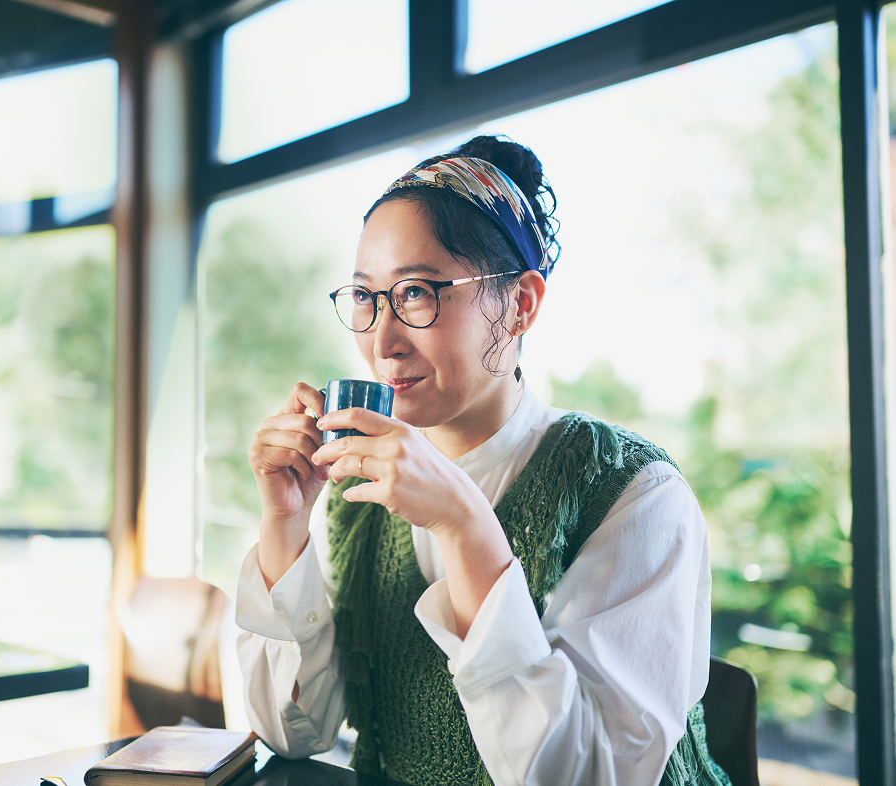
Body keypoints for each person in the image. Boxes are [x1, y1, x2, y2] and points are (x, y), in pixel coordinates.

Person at [235, 135, 728, 786]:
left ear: (521, 303)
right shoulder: (356, 500)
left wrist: (466, 527)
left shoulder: (632, 493)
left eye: (415, 293)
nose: (382, 342)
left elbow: (588, 774)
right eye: (363, 298)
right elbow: (291, 735)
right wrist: (285, 526)